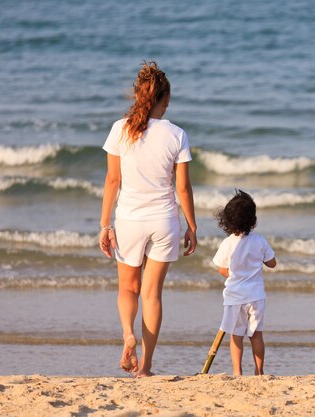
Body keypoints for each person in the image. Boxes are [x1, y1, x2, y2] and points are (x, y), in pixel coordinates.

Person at [99, 61, 197, 378]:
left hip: (128, 219)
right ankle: (146, 367)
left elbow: (112, 181)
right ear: (163, 100)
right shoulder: (176, 134)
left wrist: (105, 225)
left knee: (128, 288)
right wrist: (192, 227)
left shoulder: (119, 129)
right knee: (152, 294)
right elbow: (182, 186)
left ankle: (128, 333)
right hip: (164, 220)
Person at [212, 190, 276, 375]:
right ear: (253, 220)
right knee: (256, 335)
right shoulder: (259, 240)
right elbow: (272, 263)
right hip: (256, 296)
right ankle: (259, 371)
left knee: (236, 335)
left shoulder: (228, 243)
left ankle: (237, 371)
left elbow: (220, 268)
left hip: (234, 296)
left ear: (228, 220)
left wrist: (234, 274)